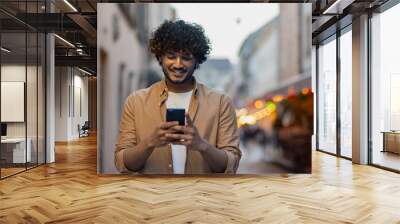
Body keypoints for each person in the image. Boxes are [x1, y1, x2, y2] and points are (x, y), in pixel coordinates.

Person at [114, 20, 242, 174]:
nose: (178, 64)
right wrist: (149, 142)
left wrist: (202, 145)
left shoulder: (221, 103)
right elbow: (122, 163)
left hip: (203, 196)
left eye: (186, 57)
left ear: (197, 61)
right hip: (153, 196)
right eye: (171, 56)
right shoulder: (135, 102)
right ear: (160, 57)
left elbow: (231, 164)